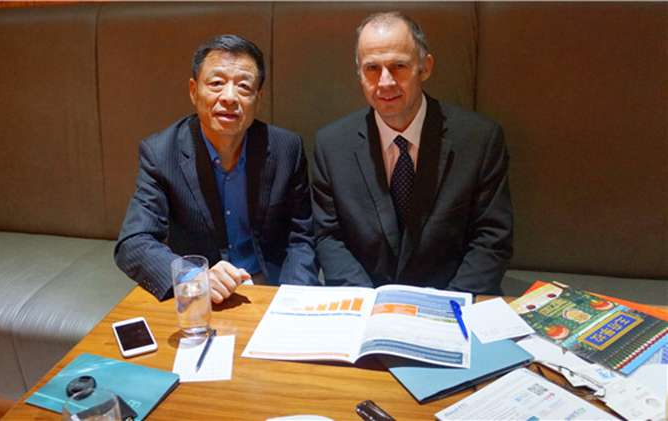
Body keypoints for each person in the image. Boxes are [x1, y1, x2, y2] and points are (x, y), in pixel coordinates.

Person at [312, 12, 512, 294]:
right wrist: (367, 303)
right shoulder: (331, 145)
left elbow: (491, 238)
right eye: (372, 68)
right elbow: (328, 237)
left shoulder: (479, 140)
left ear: (424, 67)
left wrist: (448, 306)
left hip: (451, 301)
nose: (385, 82)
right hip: (366, 301)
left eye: (399, 66)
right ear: (359, 74)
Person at [115, 34, 318, 303]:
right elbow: (133, 242)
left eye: (243, 86)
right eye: (216, 83)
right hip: (205, 292)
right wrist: (195, 277)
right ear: (193, 91)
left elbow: (301, 237)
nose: (230, 97)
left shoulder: (286, 149)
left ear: (258, 98)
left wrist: (295, 298)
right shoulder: (162, 153)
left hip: (271, 287)